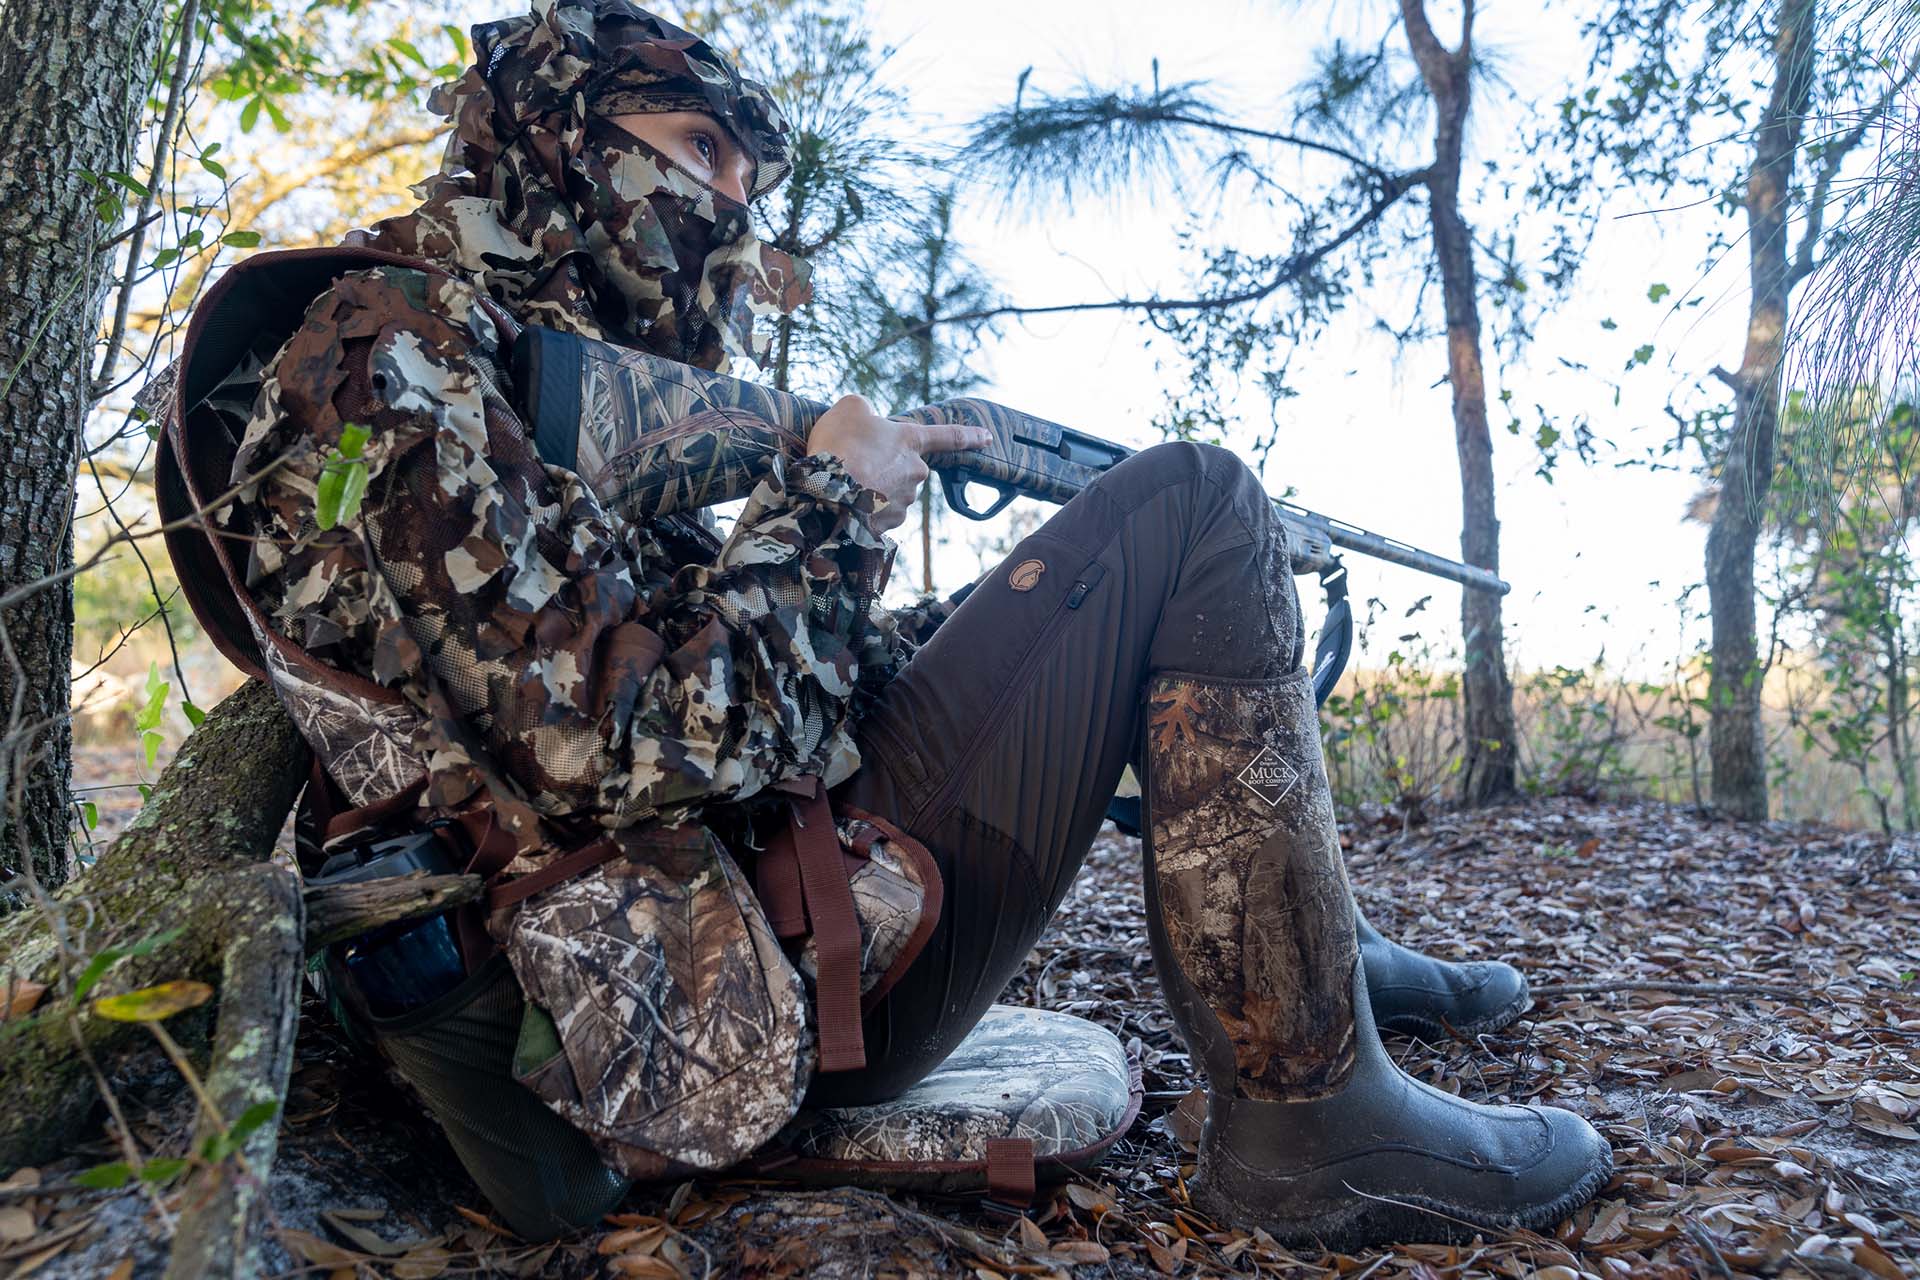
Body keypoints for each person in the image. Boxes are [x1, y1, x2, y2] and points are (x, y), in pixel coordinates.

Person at [191, 0, 1611, 1250]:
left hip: (750, 926)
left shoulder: (503, 377)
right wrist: (826, 500)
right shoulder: (395, 364)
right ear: (560, 137)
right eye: (699, 147)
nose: (734, 201)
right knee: (1200, 504)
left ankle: (1307, 955)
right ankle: (1318, 1132)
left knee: (1156, 537)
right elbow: (625, 746)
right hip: (694, 1007)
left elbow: (711, 669)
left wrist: (961, 608)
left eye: (749, 168)